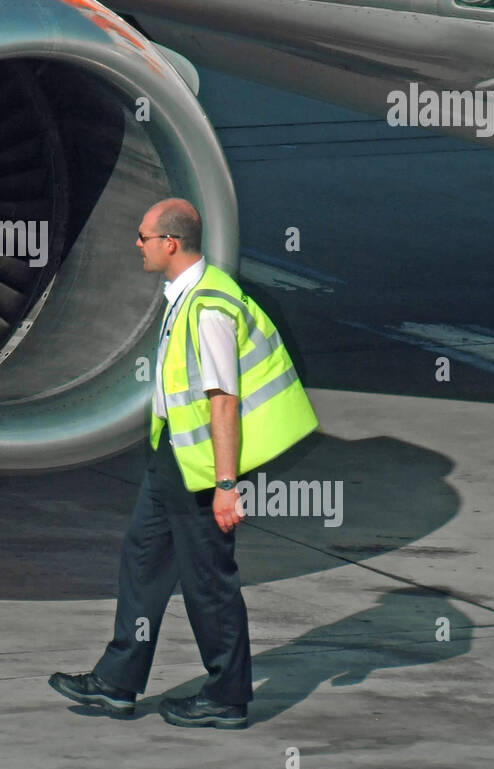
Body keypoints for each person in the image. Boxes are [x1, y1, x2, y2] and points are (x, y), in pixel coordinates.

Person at [49, 197, 318, 728]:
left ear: (170, 243)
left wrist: (225, 484)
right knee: (143, 559)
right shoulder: (186, 294)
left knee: (206, 579)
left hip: (200, 469)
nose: (138, 245)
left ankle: (226, 695)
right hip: (172, 457)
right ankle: (118, 681)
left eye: (144, 236)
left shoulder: (210, 305)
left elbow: (224, 400)